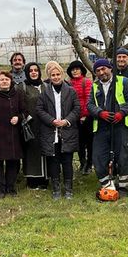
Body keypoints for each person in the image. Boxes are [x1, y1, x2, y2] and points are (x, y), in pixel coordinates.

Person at [88, 58, 128, 198]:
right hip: (102, 125)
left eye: (103, 69)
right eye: (98, 71)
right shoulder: (95, 86)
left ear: (110, 68)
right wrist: (100, 113)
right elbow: (90, 105)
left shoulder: (124, 82)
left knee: (123, 155)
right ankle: (107, 185)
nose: (101, 72)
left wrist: (121, 112)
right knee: (98, 156)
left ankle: (123, 187)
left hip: (120, 124)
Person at [37, 61, 81, 200]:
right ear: (49, 77)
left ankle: (68, 189)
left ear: (62, 74)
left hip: (67, 131)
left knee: (67, 161)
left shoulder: (71, 91)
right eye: (52, 75)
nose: (55, 77)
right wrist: (51, 121)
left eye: (58, 74)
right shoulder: (45, 92)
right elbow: (39, 109)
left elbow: (77, 108)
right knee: (53, 161)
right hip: (51, 132)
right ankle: (56, 189)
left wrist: (66, 121)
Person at [0, 71, 27, 198]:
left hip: (13, 135)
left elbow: (24, 111)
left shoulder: (17, 95)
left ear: (10, 81)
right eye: (2, 79)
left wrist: (18, 118)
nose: (4, 81)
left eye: (7, 79)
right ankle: (0, 188)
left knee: (13, 162)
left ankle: (10, 187)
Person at [21, 62, 48, 189]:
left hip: (45, 125)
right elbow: (18, 105)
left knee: (45, 151)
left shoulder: (46, 86)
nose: (33, 72)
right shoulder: (22, 87)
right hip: (31, 125)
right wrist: (26, 117)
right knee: (31, 153)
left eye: (36, 70)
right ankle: (32, 180)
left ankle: (45, 180)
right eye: (30, 70)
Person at [66, 60, 94, 175]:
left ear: (81, 70)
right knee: (79, 143)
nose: (75, 71)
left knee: (90, 142)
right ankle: (82, 162)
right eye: (73, 69)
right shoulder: (68, 84)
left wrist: (84, 115)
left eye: (77, 69)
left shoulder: (86, 82)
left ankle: (89, 163)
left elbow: (89, 99)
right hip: (74, 118)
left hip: (86, 118)